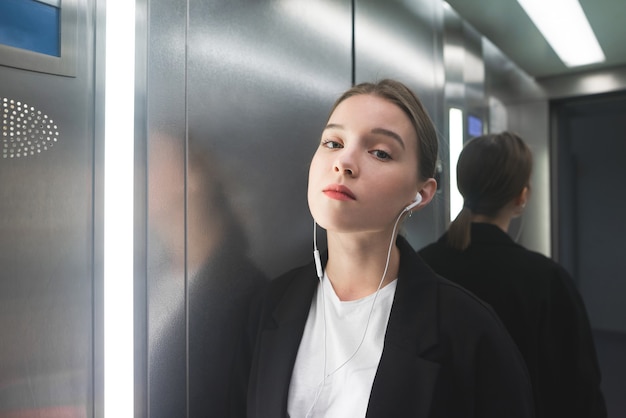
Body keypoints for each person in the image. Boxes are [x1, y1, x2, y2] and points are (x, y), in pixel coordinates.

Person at [230, 80, 534, 417]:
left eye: (380, 152)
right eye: (333, 142)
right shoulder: (271, 304)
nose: (344, 162)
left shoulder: (468, 331)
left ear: (420, 194)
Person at [418, 132, 607, 418]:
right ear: (522, 196)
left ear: (462, 186)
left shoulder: (419, 267)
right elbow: (579, 394)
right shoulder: (547, 281)